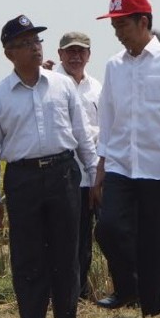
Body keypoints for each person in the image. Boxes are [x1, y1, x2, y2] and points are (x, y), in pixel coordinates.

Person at [0, 15, 99, 318]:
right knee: (28, 255)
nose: (34, 49)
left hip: (63, 174)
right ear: (9, 53)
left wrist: (94, 175)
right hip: (23, 180)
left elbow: (83, 136)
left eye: (37, 42)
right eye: (25, 44)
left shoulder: (62, 87)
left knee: (67, 252)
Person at [93, 0, 160, 317]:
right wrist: (100, 167)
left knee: (155, 244)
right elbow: (107, 120)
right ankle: (128, 287)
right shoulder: (114, 66)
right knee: (108, 228)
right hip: (121, 166)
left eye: (122, 25)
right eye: (114, 26)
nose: (118, 33)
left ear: (143, 22)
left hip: (159, 168)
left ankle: (152, 313)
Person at [47, 31, 102, 300]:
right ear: (60, 54)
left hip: (89, 175)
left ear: (89, 55)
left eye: (81, 51)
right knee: (60, 239)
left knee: (85, 238)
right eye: (70, 51)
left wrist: (96, 176)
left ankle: (79, 292)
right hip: (59, 174)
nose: (75, 56)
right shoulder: (48, 82)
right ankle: (57, 293)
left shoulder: (98, 89)